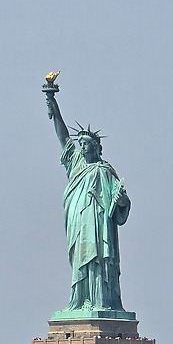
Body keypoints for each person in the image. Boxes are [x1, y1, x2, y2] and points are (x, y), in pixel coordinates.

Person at [45, 83, 131, 314]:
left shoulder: (105, 170)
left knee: (100, 260)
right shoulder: (75, 164)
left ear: (97, 148)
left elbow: (122, 204)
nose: (82, 147)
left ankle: (102, 301)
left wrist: (121, 200)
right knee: (81, 258)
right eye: (80, 144)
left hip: (99, 222)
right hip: (78, 220)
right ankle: (80, 300)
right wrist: (54, 105)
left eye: (86, 144)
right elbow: (63, 136)